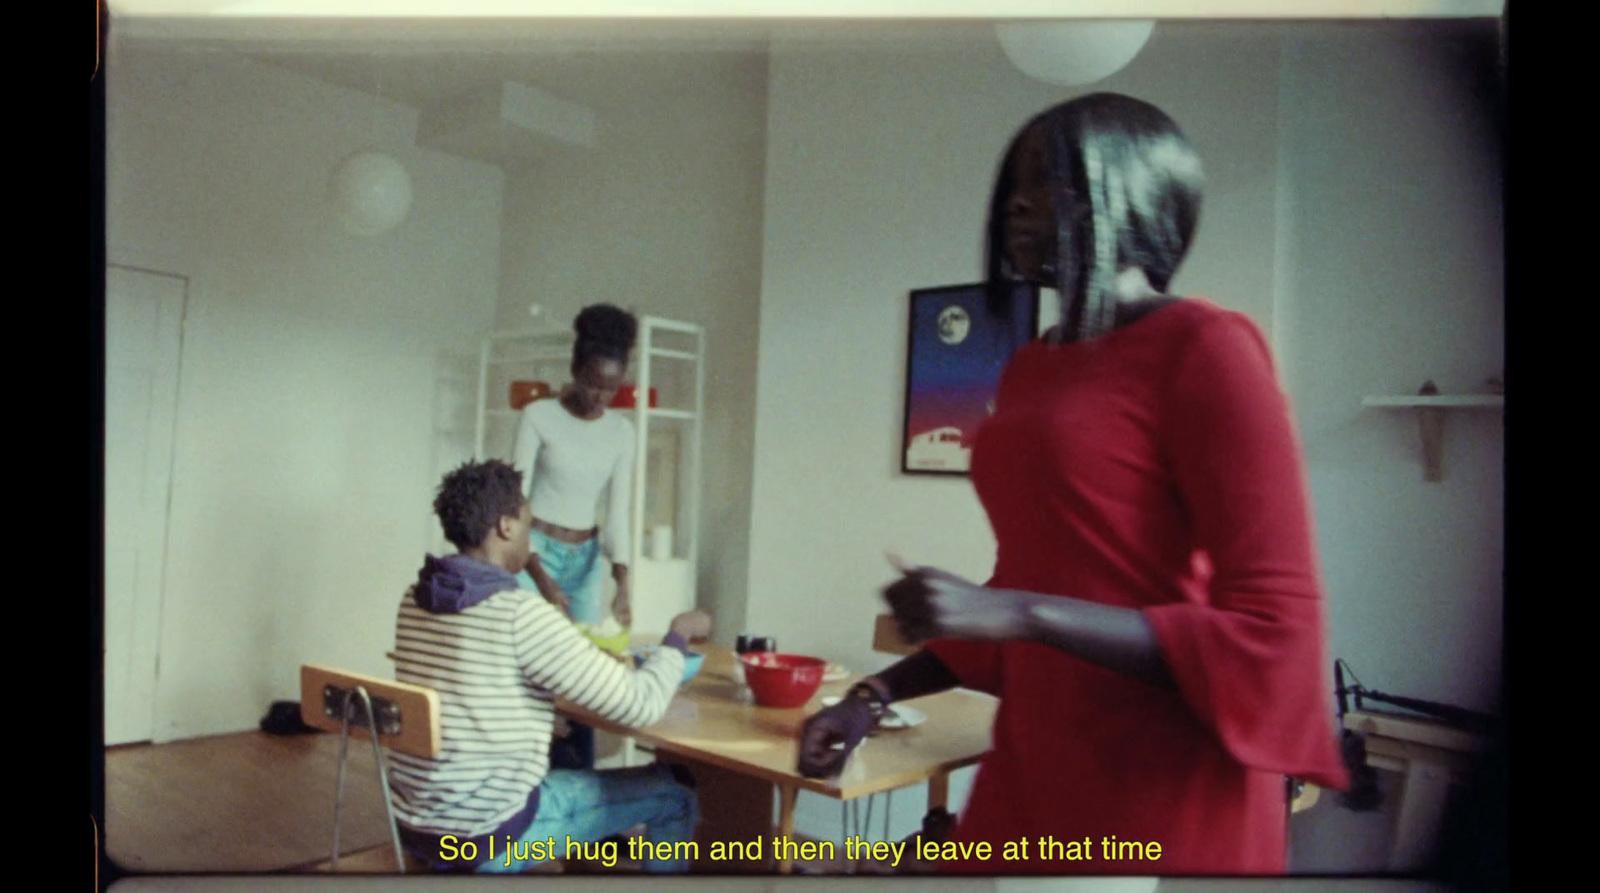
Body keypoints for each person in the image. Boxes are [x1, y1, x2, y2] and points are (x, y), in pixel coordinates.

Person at [798, 93, 1349, 874]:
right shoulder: (1033, 366)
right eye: (1013, 182)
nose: (1017, 203)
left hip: (1158, 790)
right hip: (1037, 763)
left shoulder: (1208, 348)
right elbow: (1033, 583)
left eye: (1050, 179)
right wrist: (870, 696)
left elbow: (1275, 631)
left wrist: (1016, 610)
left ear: (1137, 194)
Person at [389, 459, 712, 874]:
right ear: (506, 527)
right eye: (528, 522)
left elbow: (462, 693)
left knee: (568, 748)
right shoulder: (518, 613)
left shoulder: (416, 598)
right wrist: (677, 635)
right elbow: (640, 703)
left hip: (418, 826)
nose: (531, 536)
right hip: (486, 838)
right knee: (675, 791)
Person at [510, 303, 640, 769]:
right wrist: (542, 580)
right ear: (573, 369)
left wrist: (622, 584)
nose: (599, 397)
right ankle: (525, 785)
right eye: (591, 383)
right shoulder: (538, 416)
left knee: (583, 675)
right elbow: (514, 505)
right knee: (531, 672)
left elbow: (618, 510)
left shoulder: (622, 432)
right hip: (534, 554)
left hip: (586, 558)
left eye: (611, 388)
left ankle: (579, 792)